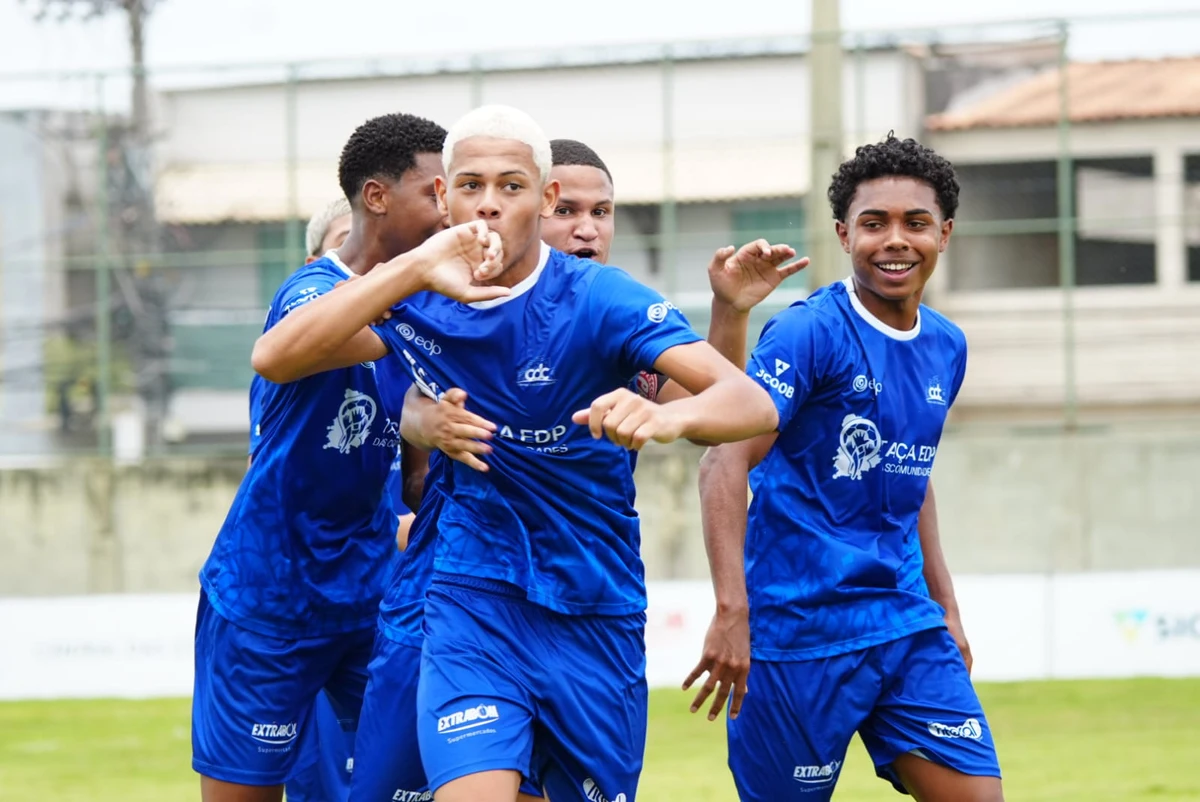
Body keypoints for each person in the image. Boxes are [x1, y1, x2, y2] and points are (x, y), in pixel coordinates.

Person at [249, 104, 781, 802]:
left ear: (541, 197)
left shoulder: (604, 302)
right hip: (470, 596)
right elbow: (279, 357)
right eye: (471, 186)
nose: (490, 205)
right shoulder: (424, 298)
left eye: (511, 186)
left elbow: (747, 404)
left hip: (592, 604)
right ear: (444, 196)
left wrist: (666, 415)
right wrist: (414, 273)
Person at [691, 133, 1003, 802]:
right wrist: (731, 610)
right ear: (844, 234)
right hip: (798, 633)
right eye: (874, 223)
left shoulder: (947, 345)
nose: (895, 240)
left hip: (905, 623)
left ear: (944, 233)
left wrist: (947, 608)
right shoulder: (807, 332)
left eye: (915, 223)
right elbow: (723, 461)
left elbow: (911, 475)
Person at [192, 112, 479, 802]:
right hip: (269, 596)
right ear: (376, 197)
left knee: (407, 783)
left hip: (372, 594)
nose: (451, 210)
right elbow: (284, 353)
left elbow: (411, 449)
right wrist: (418, 274)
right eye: (435, 192)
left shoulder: (426, 304)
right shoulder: (312, 291)